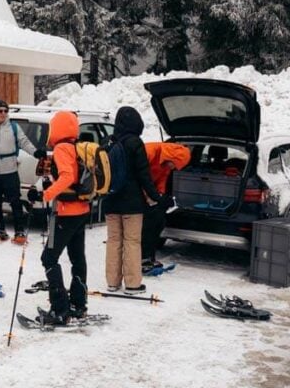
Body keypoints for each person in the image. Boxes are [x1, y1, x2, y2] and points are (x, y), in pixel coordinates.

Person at [26, 110, 90, 325]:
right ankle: (78, 305)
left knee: (49, 258)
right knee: (77, 258)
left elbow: (67, 177)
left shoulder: (62, 148)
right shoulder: (76, 147)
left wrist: (44, 194)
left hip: (66, 212)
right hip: (82, 210)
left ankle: (60, 309)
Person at [102, 106, 167, 295]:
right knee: (132, 241)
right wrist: (157, 198)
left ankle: (112, 282)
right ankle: (132, 285)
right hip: (132, 203)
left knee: (114, 241)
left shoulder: (108, 142)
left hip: (110, 200)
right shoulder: (135, 143)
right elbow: (144, 176)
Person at [0, 99, 45, 243]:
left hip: (10, 171)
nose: (3, 113)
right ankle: (0, 230)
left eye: (6, 111)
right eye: (0, 111)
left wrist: (35, 152)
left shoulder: (13, 127)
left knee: (15, 202)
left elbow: (24, 142)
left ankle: (19, 232)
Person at [141, 142, 191, 272]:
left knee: (159, 221)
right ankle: (142, 258)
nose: (173, 168)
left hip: (149, 192)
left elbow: (162, 179)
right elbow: (138, 176)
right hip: (134, 191)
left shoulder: (166, 164)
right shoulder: (150, 152)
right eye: (175, 165)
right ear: (172, 158)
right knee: (146, 226)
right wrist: (149, 196)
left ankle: (150, 256)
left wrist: (161, 196)